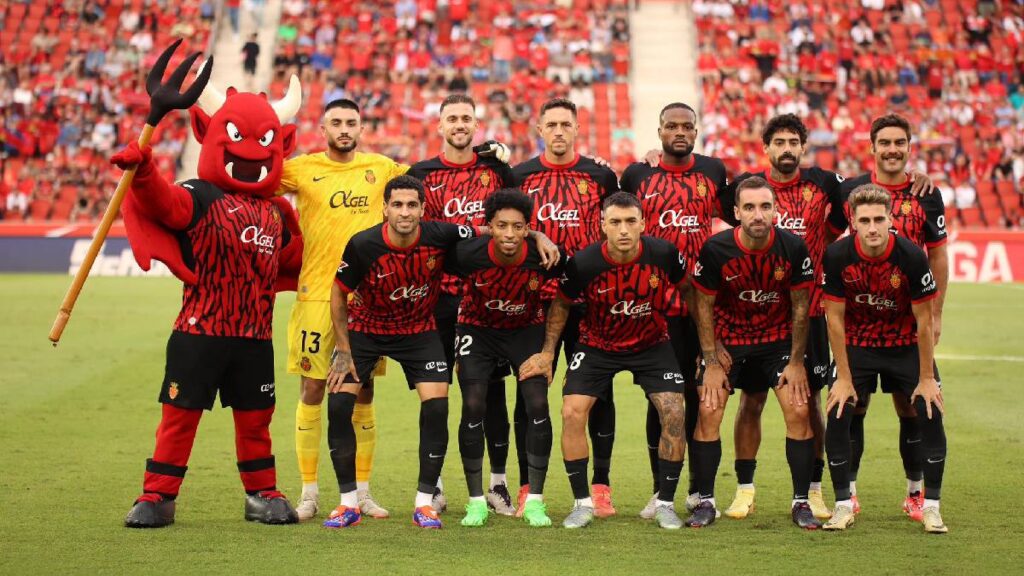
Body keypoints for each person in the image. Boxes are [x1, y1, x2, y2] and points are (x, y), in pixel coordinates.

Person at [119, 73, 304, 527]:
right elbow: (164, 205)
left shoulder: (278, 213)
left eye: (266, 141)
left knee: (256, 420)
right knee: (180, 418)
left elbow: (299, 261)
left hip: (254, 338)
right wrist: (143, 171)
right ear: (208, 132)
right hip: (199, 332)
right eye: (240, 137)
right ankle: (157, 496)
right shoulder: (199, 196)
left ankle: (262, 493)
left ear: (283, 144)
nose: (253, 150)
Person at [323, 176, 556, 529]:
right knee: (340, 405)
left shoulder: (441, 234)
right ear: (385, 208)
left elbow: (492, 229)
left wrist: (536, 234)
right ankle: (348, 503)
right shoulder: (363, 244)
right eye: (397, 205)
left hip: (419, 331)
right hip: (367, 331)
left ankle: (424, 502)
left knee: (437, 407)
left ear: (422, 209)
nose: (405, 212)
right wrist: (342, 348)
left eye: (412, 205)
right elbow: (338, 292)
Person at [520, 192, 690, 530]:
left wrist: (706, 348)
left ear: (643, 223)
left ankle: (666, 503)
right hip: (597, 344)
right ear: (602, 226)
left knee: (673, 409)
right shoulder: (584, 263)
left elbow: (690, 292)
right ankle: (582, 503)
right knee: (571, 411)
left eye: (630, 222)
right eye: (615, 222)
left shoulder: (665, 254)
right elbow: (562, 306)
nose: (623, 230)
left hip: (651, 343)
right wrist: (549, 352)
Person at [279, 98, 408, 521]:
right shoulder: (300, 168)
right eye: (336, 122)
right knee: (313, 390)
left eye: (351, 122)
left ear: (361, 127)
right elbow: (253, 180)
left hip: (368, 301)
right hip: (316, 295)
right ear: (323, 128)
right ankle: (309, 493)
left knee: (363, 392)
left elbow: (431, 182)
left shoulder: (382, 168)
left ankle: (363, 492)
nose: (344, 128)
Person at [827, 113, 948, 521]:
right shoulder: (848, 190)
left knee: (911, 406)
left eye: (900, 142)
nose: (892, 149)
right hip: (859, 325)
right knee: (849, 406)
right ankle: (850, 495)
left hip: (907, 324)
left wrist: (936, 315)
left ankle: (917, 494)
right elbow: (825, 233)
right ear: (872, 146)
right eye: (885, 142)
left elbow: (938, 254)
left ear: (909, 147)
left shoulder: (926, 193)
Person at [688, 177, 821, 530]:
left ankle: (801, 502)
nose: (757, 214)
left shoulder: (793, 248)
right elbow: (702, 305)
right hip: (729, 343)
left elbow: (800, 307)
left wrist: (795, 363)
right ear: (736, 213)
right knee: (708, 409)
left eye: (765, 207)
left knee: (799, 407)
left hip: (776, 341)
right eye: (749, 207)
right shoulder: (716, 249)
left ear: (776, 211)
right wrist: (712, 358)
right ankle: (705, 502)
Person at [408, 94, 517, 516]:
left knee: (491, 395)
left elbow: (515, 217)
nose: (459, 124)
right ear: (439, 126)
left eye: (466, 118)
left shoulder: (494, 171)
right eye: (452, 118)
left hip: (487, 298)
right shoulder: (420, 174)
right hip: (436, 299)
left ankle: (498, 484)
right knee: (435, 395)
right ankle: (432, 485)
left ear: (476, 125)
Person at [619, 102, 729, 519]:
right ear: (659, 130)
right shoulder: (637, 174)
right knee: (661, 399)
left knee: (705, 397)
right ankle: (659, 489)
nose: (679, 131)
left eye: (687, 126)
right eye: (671, 126)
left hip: (701, 305)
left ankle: (701, 492)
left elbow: (735, 213)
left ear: (697, 131)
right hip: (654, 307)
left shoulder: (714, 171)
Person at [513, 97, 620, 517]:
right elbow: (504, 225)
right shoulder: (520, 176)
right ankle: (526, 487)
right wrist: (536, 234)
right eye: (551, 124)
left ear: (577, 129)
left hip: (589, 301)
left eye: (566, 124)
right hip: (533, 301)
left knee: (598, 393)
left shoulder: (600, 175)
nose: (559, 131)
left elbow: (622, 218)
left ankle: (601, 487)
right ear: (539, 129)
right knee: (530, 395)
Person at [445, 188, 563, 527]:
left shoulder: (546, 256)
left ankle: (536, 502)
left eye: (518, 226)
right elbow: (434, 249)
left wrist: (548, 352)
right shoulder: (467, 253)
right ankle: (476, 502)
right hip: (477, 330)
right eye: (501, 226)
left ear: (528, 228)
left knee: (538, 404)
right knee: (473, 405)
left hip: (525, 330)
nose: (509, 234)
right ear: (489, 227)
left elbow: (565, 296)